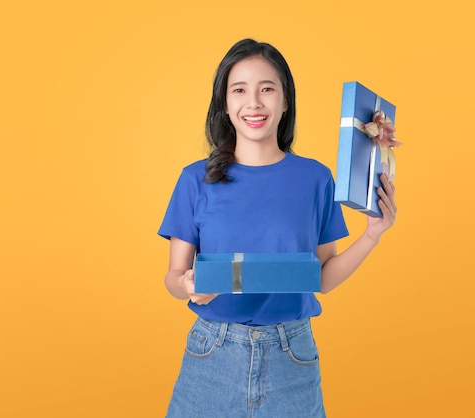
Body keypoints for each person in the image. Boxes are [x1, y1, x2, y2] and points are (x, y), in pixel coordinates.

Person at [158, 38, 397, 417]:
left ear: (286, 101)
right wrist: (188, 286)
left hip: (292, 357)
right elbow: (173, 276)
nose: (253, 102)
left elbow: (321, 277)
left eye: (267, 89)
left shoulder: (315, 178)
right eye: (239, 90)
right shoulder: (195, 179)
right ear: (224, 103)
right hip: (212, 357)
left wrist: (372, 235)